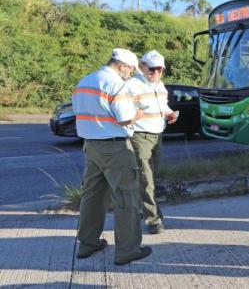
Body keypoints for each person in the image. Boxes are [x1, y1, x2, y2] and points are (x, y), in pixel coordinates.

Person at [71, 48, 152, 265]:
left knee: (92, 196)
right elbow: (125, 118)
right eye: (131, 70)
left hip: (91, 146)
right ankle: (127, 250)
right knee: (126, 197)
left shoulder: (85, 81)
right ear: (123, 66)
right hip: (115, 148)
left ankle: (87, 244)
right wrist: (139, 113)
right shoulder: (116, 84)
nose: (130, 74)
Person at [127, 50, 179, 234]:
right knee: (146, 179)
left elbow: (162, 105)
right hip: (140, 136)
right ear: (142, 67)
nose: (156, 73)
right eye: (152, 69)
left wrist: (169, 113)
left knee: (151, 178)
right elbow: (122, 110)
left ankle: (144, 210)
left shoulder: (160, 85)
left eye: (160, 69)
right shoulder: (132, 85)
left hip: (158, 135)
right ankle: (153, 220)